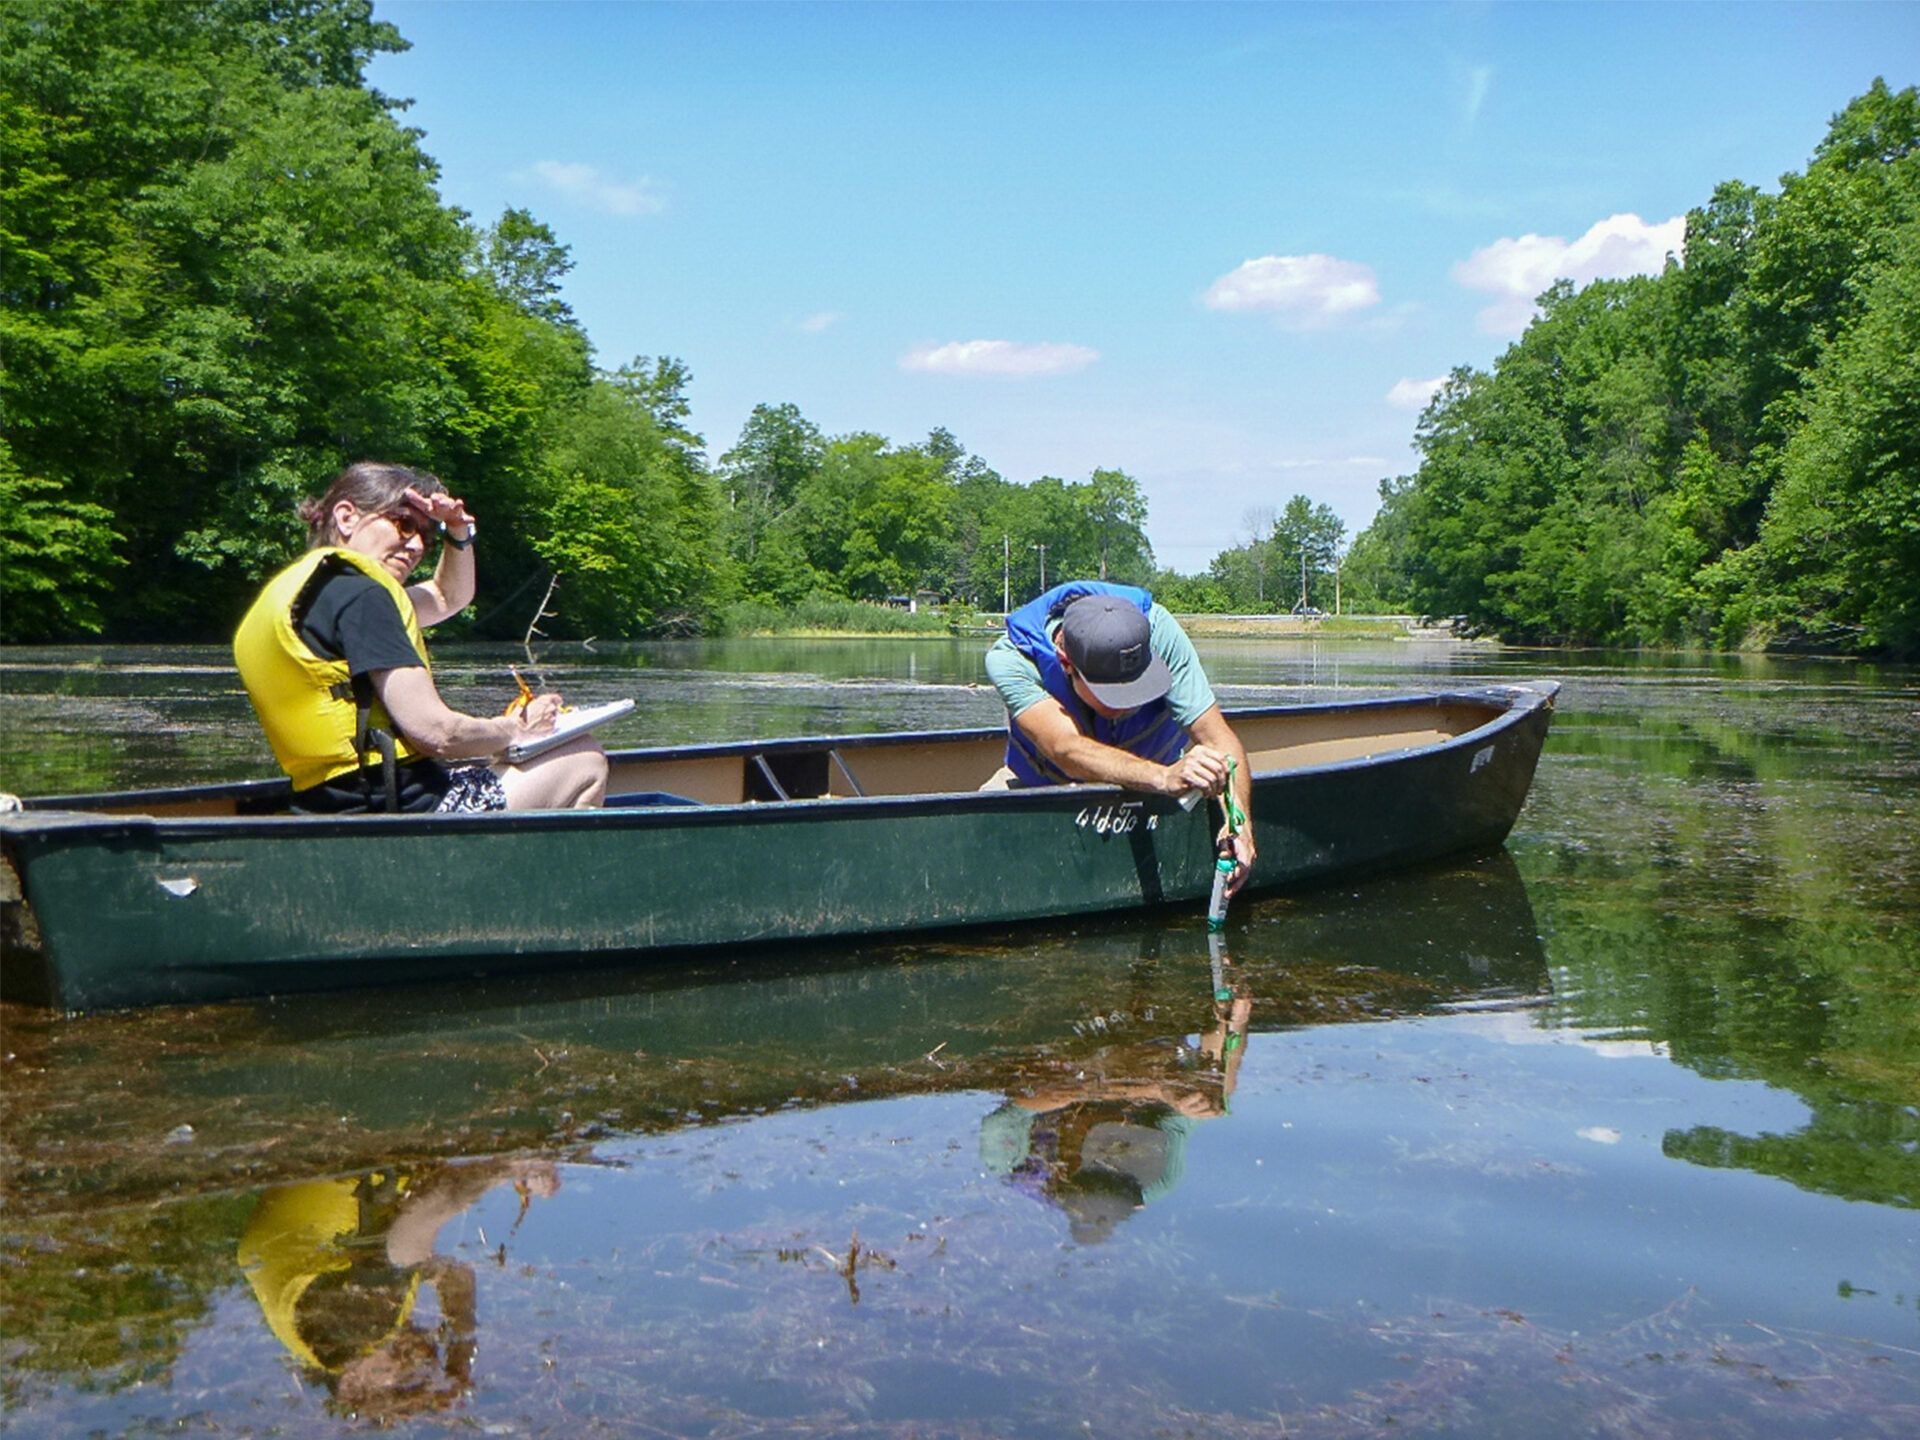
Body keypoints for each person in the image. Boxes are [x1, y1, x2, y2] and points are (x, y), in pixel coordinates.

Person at [234, 461, 607, 813]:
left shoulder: (309, 595)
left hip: (329, 804)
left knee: (498, 754)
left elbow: (448, 597)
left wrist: (458, 532)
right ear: (347, 517)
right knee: (583, 758)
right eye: (403, 524)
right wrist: (518, 728)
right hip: (399, 809)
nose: (415, 546)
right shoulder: (363, 598)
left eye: (424, 537)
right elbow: (437, 733)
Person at [983, 581, 1256, 889]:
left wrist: (1240, 826)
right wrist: (1165, 778)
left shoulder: (1160, 633)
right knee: (977, 841)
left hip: (1156, 793)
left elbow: (1219, 739)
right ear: (1066, 663)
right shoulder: (1013, 658)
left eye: (1139, 686)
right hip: (1046, 789)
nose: (1133, 703)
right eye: (1114, 695)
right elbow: (1065, 749)